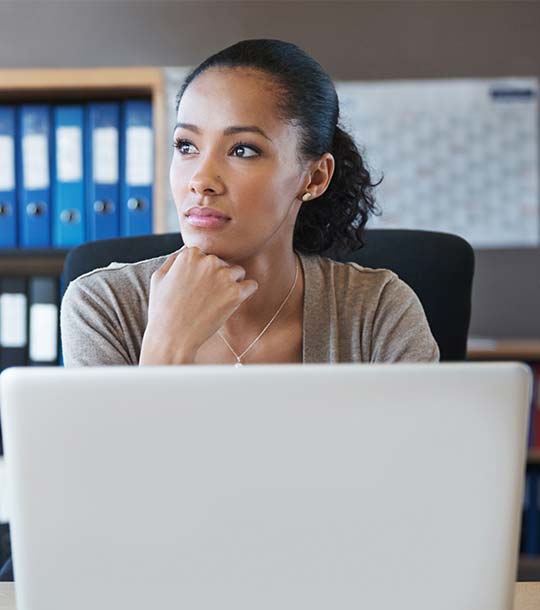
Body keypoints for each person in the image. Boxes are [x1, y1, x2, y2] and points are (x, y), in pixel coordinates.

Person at [60, 38, 439, 367]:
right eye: (186, 146)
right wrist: (167, 346)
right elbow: (112, 454)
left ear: (315, 177)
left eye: (243, 150)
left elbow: (421, 450)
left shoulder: (377, 312)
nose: (201, 181)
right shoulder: (104, 306)